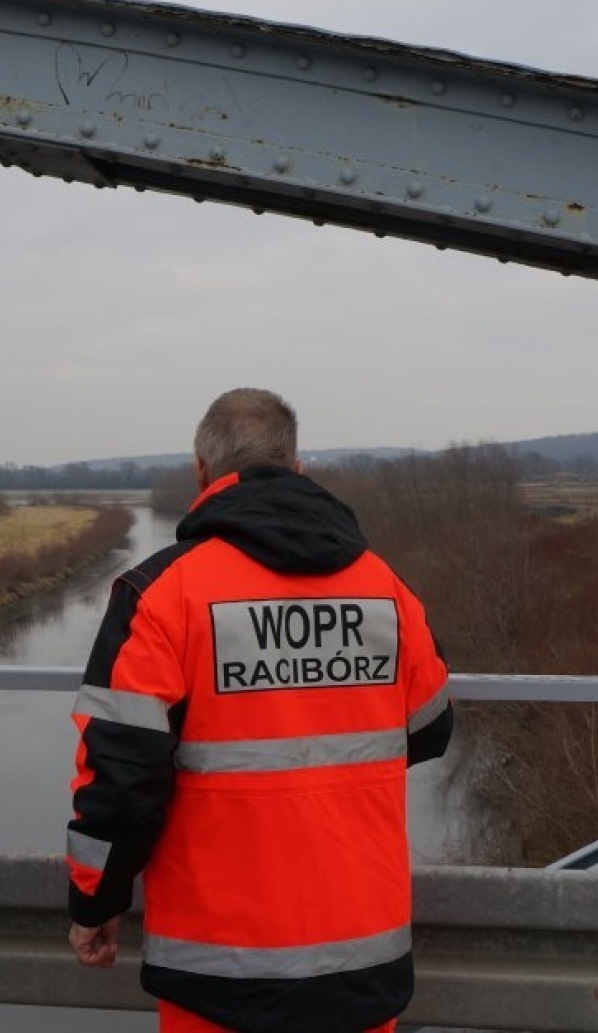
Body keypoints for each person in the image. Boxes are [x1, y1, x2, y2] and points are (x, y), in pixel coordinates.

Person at [66, 388, 454, 1033]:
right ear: (299, 469)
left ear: (200, 472)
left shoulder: (161, 595)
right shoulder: (384, 585)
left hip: (219, 966)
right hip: (361, 956)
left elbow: (122, 778)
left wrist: (95, 900)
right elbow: (431, 729)